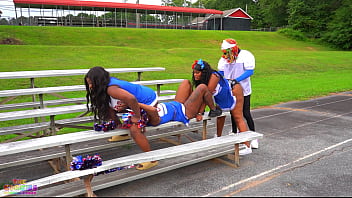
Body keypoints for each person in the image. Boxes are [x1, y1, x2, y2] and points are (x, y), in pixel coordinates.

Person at [84, 66, 158, 170]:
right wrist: (117, 122)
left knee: (134, 129)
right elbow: (121, 102)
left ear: (99, 81)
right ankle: (123, 133)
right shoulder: (105, 86)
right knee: (109, 106)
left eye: (92, 83)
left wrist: (137, 117)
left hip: (148, 100)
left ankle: (152, 159)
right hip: (135, 102)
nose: (90, 86)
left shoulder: (111, 89)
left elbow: (131, 98)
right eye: (89, 84)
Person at [191, 59, 252, 155]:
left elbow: (207, 95)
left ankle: (247, 145)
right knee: (220, 116)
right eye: (194, 73)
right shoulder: (202, 80)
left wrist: (199, 113)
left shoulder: (214, 76)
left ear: (204, 72)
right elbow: (202, 97)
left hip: (233, 90)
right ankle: (218, 137)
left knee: (238, 117)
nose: (195, 75)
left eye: (197, 73)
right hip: (220, 96)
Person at [217, 38, 258, 149]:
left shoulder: (245, 55)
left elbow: (250, 71)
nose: (225, 54)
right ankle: (235, 132)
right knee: (233, 112)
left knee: (245, 112)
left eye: (227, 51)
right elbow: (221, 72)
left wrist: (236, 80)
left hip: (244, 89)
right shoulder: (224, 59)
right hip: (231, 90)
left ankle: (253, 136)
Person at [138, 79, 222, 127]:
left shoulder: (145, 112)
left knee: (186, 82)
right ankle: (213, 109)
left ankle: (196, 109)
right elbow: (153, 110)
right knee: (202, 87)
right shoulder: (154, 120)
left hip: (176, 104)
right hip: (184, 112)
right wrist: (137, 104)